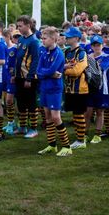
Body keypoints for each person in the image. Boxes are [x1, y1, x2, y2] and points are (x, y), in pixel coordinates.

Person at [36, 27, 72, 156]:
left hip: (54, 89)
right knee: (48, 117)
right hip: (44, 87)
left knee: (56, 117)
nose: (42, 40)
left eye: (45, 38)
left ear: (53, 39)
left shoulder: (58, 53)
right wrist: (49, 74)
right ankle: (52, 145)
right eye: (42, 38)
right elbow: (38, 71)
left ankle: (67, 146)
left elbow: (52, 70)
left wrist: (46, 73)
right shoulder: (44, 52)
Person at [13, 15, 40, 138]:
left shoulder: (34, 41)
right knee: (21, 103)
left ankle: (33, 128)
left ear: (28, 25)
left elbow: (35, 60)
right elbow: (18, 58)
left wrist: (29, 78)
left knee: (31, 103)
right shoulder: (21, 39)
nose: (18, 28)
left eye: (20, 26)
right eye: (17, 26)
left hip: (29, 77)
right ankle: (23, 127)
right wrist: (14, 74)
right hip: (19, 76)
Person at [63, 27, 89, 149]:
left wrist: (64, 69)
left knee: (79, 114)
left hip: (80, 89)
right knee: (75, 115)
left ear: (76, 38)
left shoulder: (81, 52)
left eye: (69, 37)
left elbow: (77, 71)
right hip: (69, 89)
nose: (66, 38)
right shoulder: (67, 51)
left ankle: (81, 140)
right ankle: (79, 137)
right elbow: (60, 66)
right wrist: (66, 67)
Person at [85, 35, 109, 144]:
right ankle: (85, 134)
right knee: (88, 112)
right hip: (89, 87)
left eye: (99, 45)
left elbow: (101, 68)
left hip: (101, 87)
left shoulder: (106, 56)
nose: (97, 47)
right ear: (91, 46)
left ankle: (97, 134)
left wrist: (89, 65)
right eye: (94, 45)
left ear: (102, 45)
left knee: (99, 111)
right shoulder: (87, 57)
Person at [2, 30, 19, 134]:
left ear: (8, 36)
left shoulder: (15, 48)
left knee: (10, 100)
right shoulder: (2, 48)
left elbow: (18, 62)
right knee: (7, 100)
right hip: (5, 76)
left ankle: (20, 123)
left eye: (2, 38)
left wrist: (14, 74)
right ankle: (10, 122)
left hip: (12, 77)